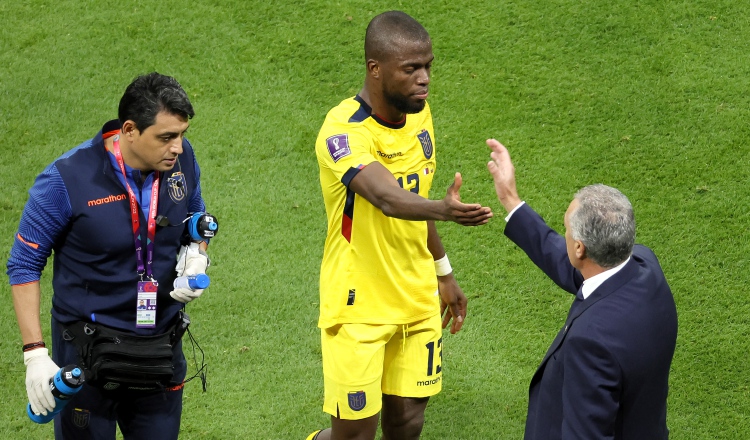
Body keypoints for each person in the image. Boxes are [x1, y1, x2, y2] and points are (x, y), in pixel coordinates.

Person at [308, 11, 493, 440]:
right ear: (376, 69)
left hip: (416, 297)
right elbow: (389, 199)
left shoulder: (418, 116)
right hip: (358, 307)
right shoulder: (342, 132)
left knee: (407, 424)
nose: (424, 78)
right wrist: (444, 210)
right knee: (353, 436)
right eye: (411, 69)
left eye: (428, 66)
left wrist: (443, 273)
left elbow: (415, 200)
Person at [7, 72, 211, 439]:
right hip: (86, 359)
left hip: (160, 351)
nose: (178, 148)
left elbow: (195, 218)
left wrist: (196, 255)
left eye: (182, 135)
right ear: (130, 130)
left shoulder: (181, 162)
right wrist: (34, 354)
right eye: (166, 137)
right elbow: (24, 264)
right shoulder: (66, 180)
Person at [485, 139, 678, 439]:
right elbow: (569, 264)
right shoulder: (645, 266)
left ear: (579, 248)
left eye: (566, 230)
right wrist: (511, 200)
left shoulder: (591, 341)